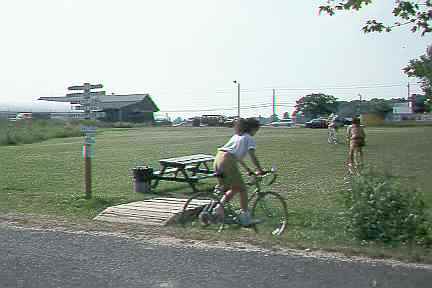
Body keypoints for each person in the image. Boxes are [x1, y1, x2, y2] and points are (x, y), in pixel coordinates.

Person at [210, 117, 264, 226]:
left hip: (219, 159)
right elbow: (252, 155)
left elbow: (237, 157)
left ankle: (218, 209)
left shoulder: (237, 136)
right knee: (242, 189)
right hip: (227, 161)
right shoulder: (248, 138)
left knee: (234, 188)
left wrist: (248, 170)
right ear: (253, 129)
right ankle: (245, 218)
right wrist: (260, 170)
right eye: (256, 130)